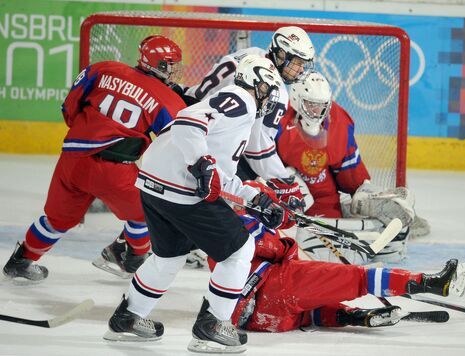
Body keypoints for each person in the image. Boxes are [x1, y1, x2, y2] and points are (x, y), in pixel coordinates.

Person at [103, 55, 292, 354]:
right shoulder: (240, 98)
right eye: (270, 91)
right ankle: (213, 325)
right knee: (240, 249)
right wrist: (200, 162)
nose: (270, 100)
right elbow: (187, 125)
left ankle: (127, 318)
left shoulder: (236, 109)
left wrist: (253, 197)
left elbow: (220, 175)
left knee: (168, 257)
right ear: (258, 85)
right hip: (180, 189)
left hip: (155, 184)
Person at [2, 35, 186, 282]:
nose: (175, 71)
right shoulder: (167, 99)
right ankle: (129, 257)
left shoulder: (102, 69)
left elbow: (69, 107)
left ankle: (21, 260)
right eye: (171, 65)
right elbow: (175, 143)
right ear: (160, 65)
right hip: (113, 170)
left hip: (72, 159)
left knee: (56, 220)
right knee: (147, 211)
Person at [210, 182, 465, 333]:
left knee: (311, 310)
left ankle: (354, 316)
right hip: (275, 287)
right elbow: (276, 250)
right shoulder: (241, 224)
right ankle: (431, 282)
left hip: (262, 319)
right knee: (357, 278)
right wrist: (282, 232)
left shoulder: (214, 230)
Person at [275, 71, 420, 263]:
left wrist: (362, 192)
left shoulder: (339, 122)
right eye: (310, 104)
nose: (316, 111)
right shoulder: (277, 119)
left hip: (324, 196)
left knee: (328, 237)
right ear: (295, 99)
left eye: (321, 105)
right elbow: (261, 165)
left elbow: (349, 171)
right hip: (285, 195)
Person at [173, 26, 315, 207]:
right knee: (236, 198)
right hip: (211, 143)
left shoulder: (250, 54)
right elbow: (257, 148)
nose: (301, 69)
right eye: (297, 62)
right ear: (280, 55)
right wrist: (282, 181)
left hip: (190, 118)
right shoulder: (274, 89)